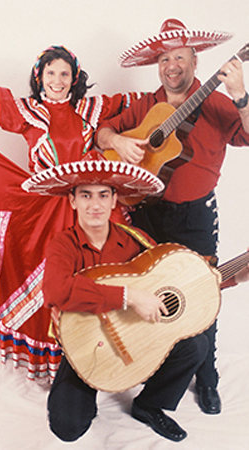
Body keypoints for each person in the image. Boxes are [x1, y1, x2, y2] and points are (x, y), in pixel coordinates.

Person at [0, 46, 145, 382]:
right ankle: (58, 359)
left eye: (64, 74)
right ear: (40, 76)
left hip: (89, 203)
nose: (57, 80)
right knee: (49, 283)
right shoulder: (28, 111)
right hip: (45, 208)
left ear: (74, 79)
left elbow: (142, 103)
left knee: (104, 274)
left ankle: (104, 354)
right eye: (51, 73)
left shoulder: (89, 108)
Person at [34, 156, 249, 443]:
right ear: (73, 201)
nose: (95, 205)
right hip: (87, 345)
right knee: (68, 428)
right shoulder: (64, 244)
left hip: (138, 337)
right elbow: (56, 291)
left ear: (114, 201)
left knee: (196, 345)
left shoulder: (136, 241)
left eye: (103, 195)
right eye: (85, 195)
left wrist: (235, 278)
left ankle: (149, 405)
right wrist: (128, 296)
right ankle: (96, 386)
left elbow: (180, 285)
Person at [96, 18, 249, 415]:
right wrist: (117, 142)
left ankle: (208, 377)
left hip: (196, 216)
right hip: (146, 216)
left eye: (179, 57)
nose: (172, 66)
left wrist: (241, 94)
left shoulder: (217, 102)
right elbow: (103, 132)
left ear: (195, 61)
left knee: (204, 293)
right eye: (165, 59)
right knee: (148, 294)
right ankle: (158, 368)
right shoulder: (147, 105)